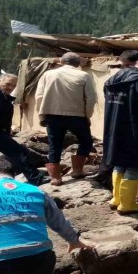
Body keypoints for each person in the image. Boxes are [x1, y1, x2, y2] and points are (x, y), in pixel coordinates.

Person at [103, 52, 138, 213]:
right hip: (134, 129)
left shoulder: (116, 77)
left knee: (119, 163)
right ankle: (127, 205)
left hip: (114, 126)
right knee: (135, 166)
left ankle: (116, 199)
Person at [35, 52, 98, 186]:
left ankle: (55, 178)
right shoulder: (84, 75)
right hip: (76, 115)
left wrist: (41, 114)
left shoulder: (48, 74)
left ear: (61, 62)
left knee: (54, 146)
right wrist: (87, 115)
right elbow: (91, 98)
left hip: (52, 115)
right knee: (86, 141)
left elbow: (39, 96)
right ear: (78, 64)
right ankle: (77, 170)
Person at [88, 50, 138, 184]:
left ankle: (115, 195)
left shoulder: (112, 79)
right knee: (132, 162)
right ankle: (126, 202)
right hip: (131, 123)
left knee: (115, 156)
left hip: (113, 120)